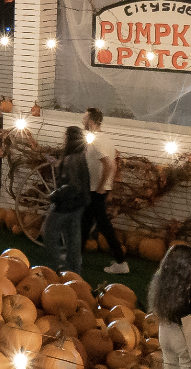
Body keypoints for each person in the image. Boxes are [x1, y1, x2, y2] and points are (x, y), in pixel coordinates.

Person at [82, 109, 131, 275]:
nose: (82, 119)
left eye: (84, 116)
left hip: (96, 190)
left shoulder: (97, 140)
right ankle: (75, 256)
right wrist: (108, 186)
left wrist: (102, 186)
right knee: (86, 222)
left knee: (103, 225)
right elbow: (114, 164)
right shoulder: (105, 139)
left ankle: (121, 262)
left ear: (90, 120)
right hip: (97, 189)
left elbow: (109, 165)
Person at [41, 126, 90, 274]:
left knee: (49, 232)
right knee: (73, 237)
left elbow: (71, 185)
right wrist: (57, 164)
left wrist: (55, 195)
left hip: (65, 205)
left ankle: (57, 266)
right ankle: (74, 271)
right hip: (79, 204)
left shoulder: (70, 159)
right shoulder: (80, 157)